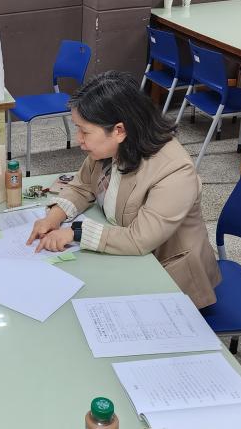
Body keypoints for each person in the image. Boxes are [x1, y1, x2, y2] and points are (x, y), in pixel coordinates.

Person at [27, 71, 220, 308]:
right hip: (127, 260)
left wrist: (75, 233)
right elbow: (82, 186)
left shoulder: (174, 170)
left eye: (85, 131)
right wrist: (54, 217)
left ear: (119, 130)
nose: (79, 139)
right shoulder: (109, 148)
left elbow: (140, 238)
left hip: (170, 276)